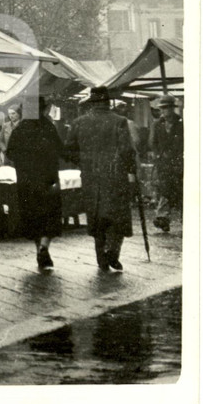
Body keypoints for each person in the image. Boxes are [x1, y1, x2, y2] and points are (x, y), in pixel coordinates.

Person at [64, 86, 137, 272]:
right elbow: (127, 150)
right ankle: (113, 252)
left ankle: (101, 258)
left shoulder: (79, 122)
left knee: (96, 217)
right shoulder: (119, 121)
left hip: (90, 177)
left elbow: (69, 150)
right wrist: (130, 169)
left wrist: (83, 163)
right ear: (108, 102)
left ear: (91, 103)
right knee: (116, 216)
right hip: (115, 176)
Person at [6, 97, 64, 270]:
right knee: (50, 215)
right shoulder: (48, 127)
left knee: (33, 215)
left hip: (26, 181)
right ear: (42, 109)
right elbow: (60, 150)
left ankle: (39, 249)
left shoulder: (19, 129)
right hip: (48, 180)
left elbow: (10, 153)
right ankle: (44, 246)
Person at [149, 95, 183, 233]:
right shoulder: (157, 124)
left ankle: (185, 219)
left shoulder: (181, 123)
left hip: (179, 162)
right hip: (163, 163)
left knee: (180, 190)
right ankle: (163, 219)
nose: (163, 112)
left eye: (165, 109)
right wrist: (158, 155)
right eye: (161, 109)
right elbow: (152, 142)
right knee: (164, 189)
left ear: (172, 109)